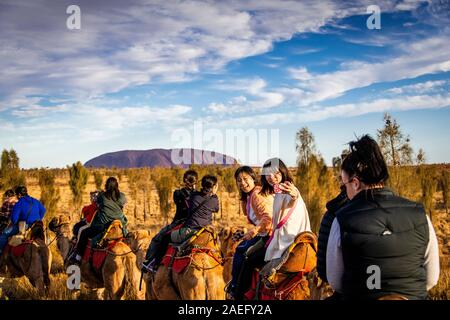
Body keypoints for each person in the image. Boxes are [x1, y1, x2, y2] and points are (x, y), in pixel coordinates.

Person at [326, 135, 440, 300]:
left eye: (345, 185)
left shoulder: (341, 219)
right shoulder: (420, 214)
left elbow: (335, 282)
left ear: (355, 183)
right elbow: (431, 279)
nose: (345, 190)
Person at [234, 158, 311, 299]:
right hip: (282, 237)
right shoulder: (276, 193)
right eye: (267, 174)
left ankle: (238, 294)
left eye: (275, 173)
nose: (271, 177)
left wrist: (294, 194)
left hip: (284, 241)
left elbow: (292, 199)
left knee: (248, 259)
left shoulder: (287, 190)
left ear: (283, 172)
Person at [227, 166, 273, 299]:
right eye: (239, 180)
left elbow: (268, 218)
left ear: (253, 178)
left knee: (241, 251)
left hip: (269, 235)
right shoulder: (251, 195)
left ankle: (236, 289)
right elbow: (252, 216)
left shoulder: (257, 194)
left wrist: (253, 232)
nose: (242, 183)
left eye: (246, 179)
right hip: (264, 233)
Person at [142, 169, 198, 272]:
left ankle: (151, 263)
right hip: (196, 224)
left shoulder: (178, 193)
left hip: (180, 222)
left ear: (185, 181)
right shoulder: (196, 195)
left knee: (159, 238)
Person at [69, 177, 128, 265]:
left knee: (84, 233)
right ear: (117, 185)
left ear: (106, 185)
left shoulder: (102, 196)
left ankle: (78, 257)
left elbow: (96, 204)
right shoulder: (122, 196)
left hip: (103, 226)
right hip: (119, 225)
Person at [170, 174, 219, 244]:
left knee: (169, 236)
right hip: (205, 232)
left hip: (189, 230)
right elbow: (216, 209)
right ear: (214, 187)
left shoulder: (193, 196)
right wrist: (214, 194)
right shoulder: (214, 200)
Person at [0, 186, 46, 255]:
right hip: (37, 225)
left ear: (19, 195)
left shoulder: (19, 203)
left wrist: (15, 222)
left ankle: (1, 254)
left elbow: (14, 219)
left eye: (16, 195)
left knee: (4, 234)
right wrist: (38, 218)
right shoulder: (35, 200)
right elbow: (43, 210)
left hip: (25, 226)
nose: (16, 197)